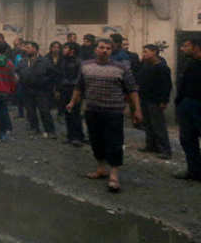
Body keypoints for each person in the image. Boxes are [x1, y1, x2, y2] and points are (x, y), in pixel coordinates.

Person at [67, 39, 142, 193]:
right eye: (102, 47)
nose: (105, 50)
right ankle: (101, 168)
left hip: (114, 111)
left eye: (108, 48)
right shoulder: (86, 66)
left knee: (114, 142)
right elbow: (79, 86)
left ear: (111, 51)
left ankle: (114, 175)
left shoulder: (121, 67)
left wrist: (137, 110)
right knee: (96, 140)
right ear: (96, 49)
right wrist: (72, 102)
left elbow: (132, 90)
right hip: (92, 110)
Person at [137, 44, 172, 159]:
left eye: (146, 51)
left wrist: (164, 101)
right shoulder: (146, 65)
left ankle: (165, 150)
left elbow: (167, 86)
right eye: (143, 51)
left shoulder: (162, 67)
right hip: (145, 99)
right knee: (148, 124)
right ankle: (151, 145)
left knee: (158, 125)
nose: (144, 54)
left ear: (154, 52)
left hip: (155, 101)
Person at [174, 38, 201, 181]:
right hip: (187, 105)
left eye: (186, 46)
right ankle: (194, 171)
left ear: (196, 47)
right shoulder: (189, 63)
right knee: (188, 139)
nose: (182, 49)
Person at [18, 42, 56, 138]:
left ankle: (50, 130)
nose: (26, 49)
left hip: (41, 91)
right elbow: (17, 72)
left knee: (44, 111)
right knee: (30, 111)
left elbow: (52, 75)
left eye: (28, 48)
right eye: (25, 48)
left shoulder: (45, 61)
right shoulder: (23, 61)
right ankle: (34, 128)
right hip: (27, 90)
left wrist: (44, 83)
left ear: (35, 49)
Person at [60, 42, 86, 146]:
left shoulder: (79, 62)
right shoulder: (64, 61)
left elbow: (80, 78)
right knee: (68, 114)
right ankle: (70, 136)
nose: (63, 50)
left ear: (72, 50)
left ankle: (78, 137)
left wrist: (78, 92)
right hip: (65, 90)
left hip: (75, 90)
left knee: (75, 114)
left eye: (66, 48)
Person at [46, 41, 64, 124]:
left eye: (58, 47)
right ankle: (48, 118)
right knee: (48, 100)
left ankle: (60, 115)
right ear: (51, 48)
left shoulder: (63, 58)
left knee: (60, 100)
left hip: (60, 81)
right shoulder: (46, 57)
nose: (56, 49)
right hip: (49, 82)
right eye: (54, 47)